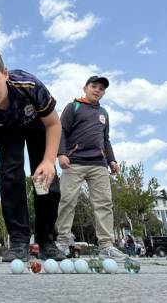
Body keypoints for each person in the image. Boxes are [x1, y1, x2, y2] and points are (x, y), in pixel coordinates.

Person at [0, 45, 65, 262]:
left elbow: (54, 124)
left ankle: (46, 240)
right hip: (6, 128)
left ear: (5, 73)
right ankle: (18, 240)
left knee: (45, 180)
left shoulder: (29, 85)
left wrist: (47, 160)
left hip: (38, 126)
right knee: (10, 173)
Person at [54, 75, 126, 260]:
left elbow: (106, 139)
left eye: (101, 89)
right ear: (85, 87)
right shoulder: (74, 107)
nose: (97, 90)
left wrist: (112, 160)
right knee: (67, 201)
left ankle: (106, 245)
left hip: (98, 165)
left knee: (104, 203)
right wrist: (61, 153)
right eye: (94, 86)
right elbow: (61, 131)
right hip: (74, 162)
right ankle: (62, 241)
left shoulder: (104, 113)